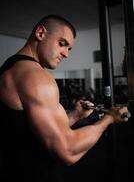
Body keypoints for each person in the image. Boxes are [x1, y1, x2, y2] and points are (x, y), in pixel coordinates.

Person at [0, 15, 129, 182]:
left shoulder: (9, 67)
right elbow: (67, 151)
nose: (66, 54)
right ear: (40, 33)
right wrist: (109, 118)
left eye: (69, 49)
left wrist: (75, 115)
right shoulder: (35, 77)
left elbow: (32, 130)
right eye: (62, 44)